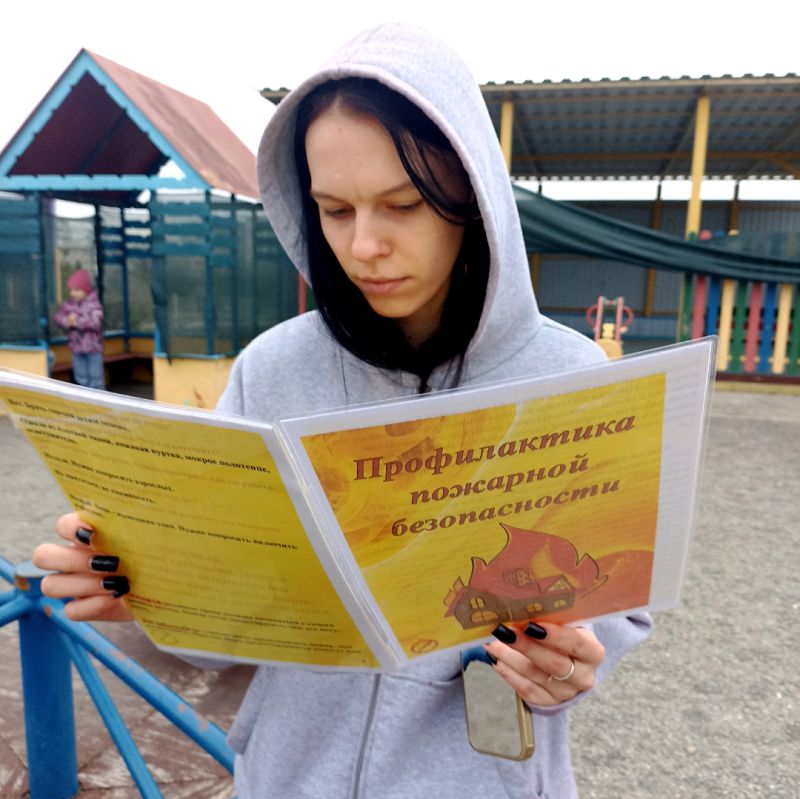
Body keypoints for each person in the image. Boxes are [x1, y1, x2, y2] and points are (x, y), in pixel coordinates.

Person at [33, 24, 652, 798]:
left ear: (472, 196)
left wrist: (571, 658)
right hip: (287, 778)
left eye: (403, 204)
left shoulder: (569, 379)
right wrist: (146, 589)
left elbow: (614, 610)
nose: (363, 246)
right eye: (333, 209)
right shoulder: (271, 370)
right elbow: (224, 637)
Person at [52, 267, 106, 390]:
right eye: (71, 290)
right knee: (81, 378)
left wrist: (76, 321)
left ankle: (98, 400)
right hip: (76, 349)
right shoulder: (68, 304)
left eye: (77, 290)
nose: (72, 293)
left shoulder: (94, 304)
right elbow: (57, 317)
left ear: (85, 290)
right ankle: (83, 400)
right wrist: (67, 321)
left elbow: (96, 322)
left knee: (96, 380)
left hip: (93, 349)